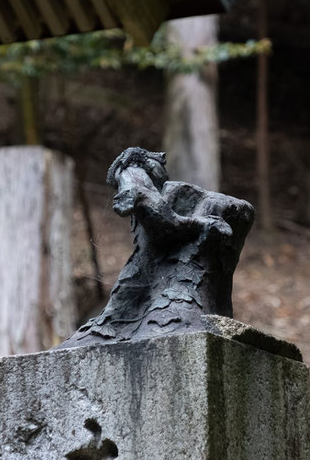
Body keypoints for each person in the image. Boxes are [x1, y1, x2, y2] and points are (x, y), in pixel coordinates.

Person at [61, 148, 254, 348]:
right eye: (160, 167)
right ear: (150, 162)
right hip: (154, 281)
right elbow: (164, 225)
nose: (164, 174)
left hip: (165, 283)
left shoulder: (137, 179)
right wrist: (202, 224)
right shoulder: (135, 175)